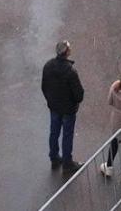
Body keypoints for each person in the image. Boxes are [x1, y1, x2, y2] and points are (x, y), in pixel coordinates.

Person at [41, 40, 85, 171]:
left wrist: (50, 101)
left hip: (54, 107)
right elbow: (79, 95)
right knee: (67, 135)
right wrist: (75, 103)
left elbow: (44, 87)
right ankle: (67, 162)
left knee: (54, 132)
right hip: (68, 110)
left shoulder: (48, 66)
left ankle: (54, 157)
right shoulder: (71, 72)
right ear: (67, 52)